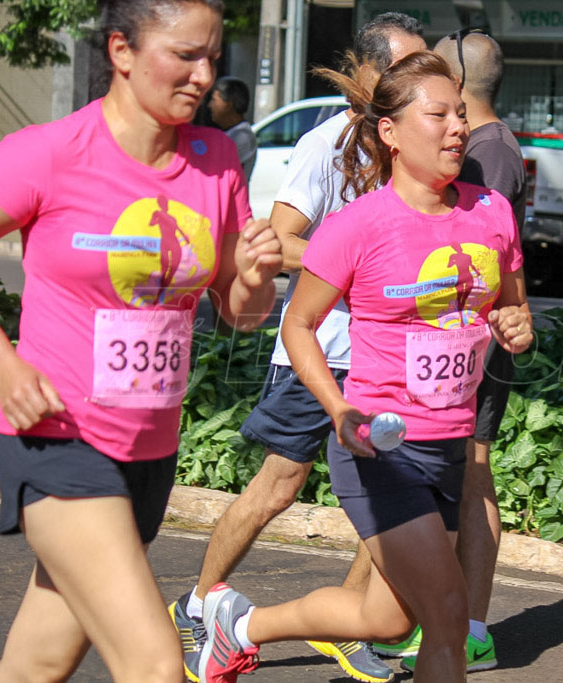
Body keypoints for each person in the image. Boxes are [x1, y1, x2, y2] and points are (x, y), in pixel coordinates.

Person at [196, 50, 533, 683]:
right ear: (391, 133)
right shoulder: (356, 227)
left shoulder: (491, 212)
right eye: (439, 115)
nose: (459, 127)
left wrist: (515, 325)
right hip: (379, 449)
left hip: (447, 451)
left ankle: (238, 627)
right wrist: (338, 408)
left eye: (461, 113)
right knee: (448, 613)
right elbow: (296, 325)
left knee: (386, 621)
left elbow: (514, 308)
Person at [0, 1, 281, 681]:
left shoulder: (217, 160)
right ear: (121, 51)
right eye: (184, 55)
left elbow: (239, 314)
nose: (204, 76)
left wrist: (256, 279)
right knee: (154, 664)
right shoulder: (52, 152)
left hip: (148, 446)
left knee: (35, 663)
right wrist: (4, 365)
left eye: (213, 57)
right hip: (57, 437)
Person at [167, 12, 426, 683]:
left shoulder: (413, 152)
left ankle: (359, 628)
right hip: (319, 350)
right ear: (369, 74)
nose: (419, 80)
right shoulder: (326, 145)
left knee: (392, 495)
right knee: (276, 490)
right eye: (404, 68)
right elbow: (279, 242)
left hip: (385, 357)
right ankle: (202, 603)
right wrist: (357, 269)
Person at [398, 28, 526, 673]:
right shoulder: (482, 144)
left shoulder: (489, 153)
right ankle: (436, 617)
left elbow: (494, 263)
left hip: (475, 344)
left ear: (457, 83)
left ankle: (469, 625)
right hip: (452, 339)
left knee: (472, 475)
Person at [208, 76, 257, 178]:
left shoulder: (242, 137)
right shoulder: (229, 134)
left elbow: (211, 170)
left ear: (228, 105)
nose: (210, 105)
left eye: (214, 100)